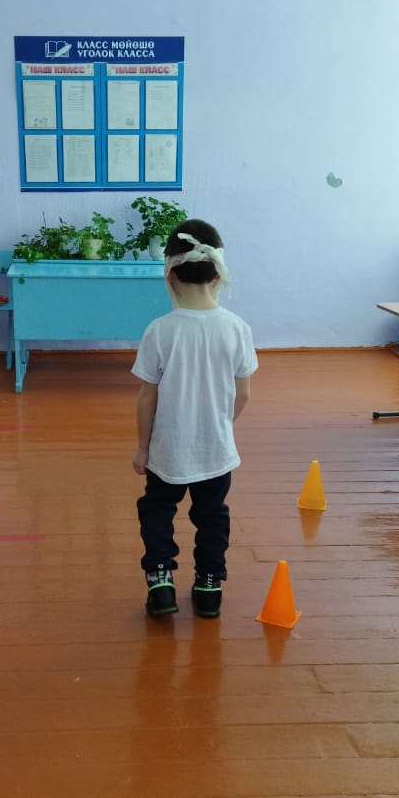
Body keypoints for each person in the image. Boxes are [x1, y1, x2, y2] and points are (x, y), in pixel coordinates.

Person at [132, 219, 257, 618]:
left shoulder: (159, 331)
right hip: (216, 450)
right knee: (212, 515)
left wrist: (142, 447)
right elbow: (244, 393)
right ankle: (208, 587)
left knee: (157, 510)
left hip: (167, 450)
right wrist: (221, 426)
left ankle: (161, 583)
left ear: (170, 275)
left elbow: (147, 397)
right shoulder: (237, 328)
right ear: (218, 275)